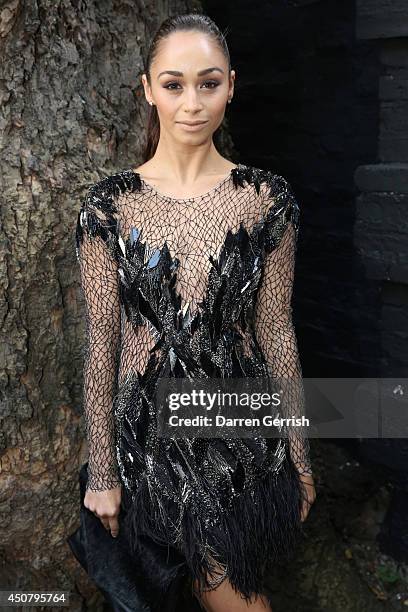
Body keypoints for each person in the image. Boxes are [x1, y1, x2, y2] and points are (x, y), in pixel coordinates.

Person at [67, 12, 316, 612]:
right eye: (174, 84)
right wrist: (101, 472)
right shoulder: (108, 207)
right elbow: (103, 340)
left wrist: (300, 453)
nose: (192, 102)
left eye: (208, 83)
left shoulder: (268, 200)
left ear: (231, 84)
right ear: (148, 91)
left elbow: (275, 330)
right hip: (149, 436)